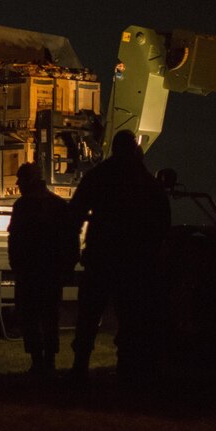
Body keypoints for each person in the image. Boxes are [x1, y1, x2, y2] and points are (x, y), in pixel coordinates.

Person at [68, 130, 170, 383]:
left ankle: (80, 367)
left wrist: (73, 249)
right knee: (132, 317)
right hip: (136, 261)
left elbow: (75, 212)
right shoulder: (146, 181)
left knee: (89, 315)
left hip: (102, 257)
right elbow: (163, 221)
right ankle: (128, 368)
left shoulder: (99, 176)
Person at [8, 162, 80, 378]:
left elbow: (16, 239)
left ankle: (38, 361)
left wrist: (16, 265)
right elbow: (71, 238)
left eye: (21, 180)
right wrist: (68, 266)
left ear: (29, 181)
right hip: (52, 272)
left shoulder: (23, 206)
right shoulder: (58, 204)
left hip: (30, 272)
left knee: (30, 317)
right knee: (50, 317)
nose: (18, 184)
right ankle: (49, 361)